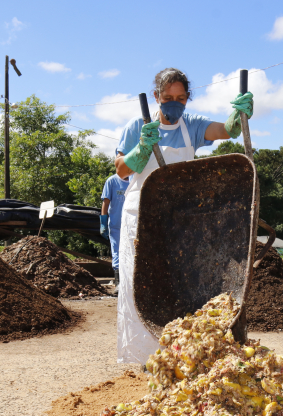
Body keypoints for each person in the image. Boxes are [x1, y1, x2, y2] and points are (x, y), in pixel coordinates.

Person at [114, 67, 253, 364]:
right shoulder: (137, 126)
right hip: (139, 215)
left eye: (180, 98)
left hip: (176, 222)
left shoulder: (191, 125)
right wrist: (139, 151)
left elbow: (224, 131)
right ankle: (141, 361)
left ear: (188, 98)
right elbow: (121, 169)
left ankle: (177, 357)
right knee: (136, 287)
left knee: (174, 284)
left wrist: (236, 117)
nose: (173, 103)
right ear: (156, 97)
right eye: (167, 98)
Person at [100, 173, 130, 286]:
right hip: (116, 224)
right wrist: (103, 222)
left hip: (131, 224)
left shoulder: (134, 179)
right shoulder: (112, 181)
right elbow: (106, 203)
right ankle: (119, 282)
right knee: (117, 251)